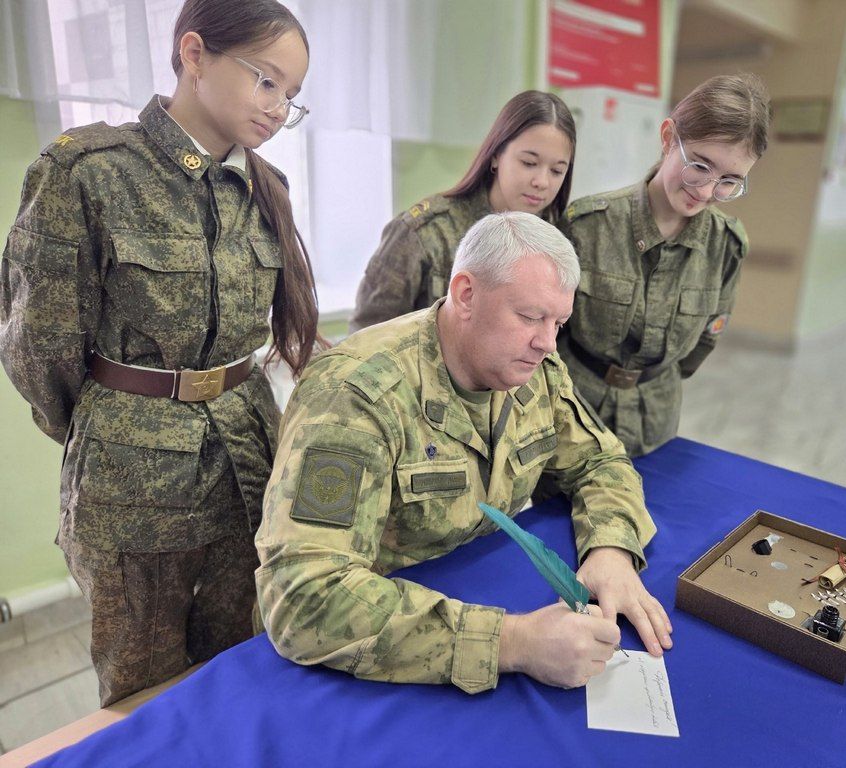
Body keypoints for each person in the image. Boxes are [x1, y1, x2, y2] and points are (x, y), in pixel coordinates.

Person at [0, 0, 323, 706]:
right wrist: (110, 424)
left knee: (240, 666)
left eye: (292, 95)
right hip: (132, 483)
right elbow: (38, 346)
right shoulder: (88, 172)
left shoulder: (265, 188)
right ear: (194, 54)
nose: (278, 107)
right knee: (142, 692)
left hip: (247, 463)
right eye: (266, 80)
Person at [256, 212, 672, 692]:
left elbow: (599, 461)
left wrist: (611, 549)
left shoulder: (531, 368)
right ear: (466, 294)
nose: (546, 342)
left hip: (474, 588)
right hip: (365, 662)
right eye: (530, 316)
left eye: (558, 322)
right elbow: (304, 596)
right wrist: (511, 643)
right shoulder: (355, 395)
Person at [558, 74, 770, 456]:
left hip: (655, 418)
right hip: (572, 411)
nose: (706, 191)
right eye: (700, 166)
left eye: (729, 181)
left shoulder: (725, 245)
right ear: (669, 137)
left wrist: (653, 379)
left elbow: (705, 340)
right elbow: (548, 332)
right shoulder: (588, 226)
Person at [348, 90, 576, 333]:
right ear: (496, 155)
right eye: (529, 163)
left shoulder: (560, 243)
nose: (542, 182)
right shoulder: (426, 234)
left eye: (556, 171)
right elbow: (367, 337)